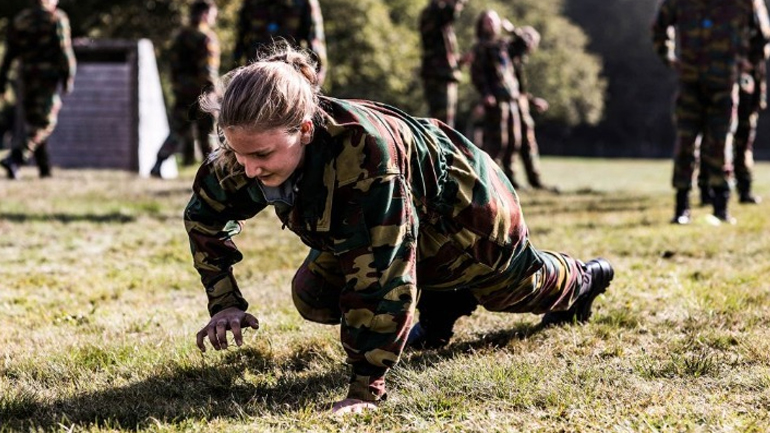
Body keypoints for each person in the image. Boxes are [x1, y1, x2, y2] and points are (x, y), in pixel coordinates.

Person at [186, 44, 614, 414]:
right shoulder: (243, 150)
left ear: (305, 130)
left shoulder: (365, 159)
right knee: (313, 295)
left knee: (515, 290)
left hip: (462, 204)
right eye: (238, 152)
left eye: (262, 154)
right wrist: (225, 303)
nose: (249, 167)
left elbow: (383, 276)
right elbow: (204, 218)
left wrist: (364, 389)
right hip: (398, 217)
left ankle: (585, 277)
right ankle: (445, 299)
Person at [651, 0, 770, 225]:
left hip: (724, 84)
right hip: (690, 83)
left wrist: (747, 63)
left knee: (720, 142)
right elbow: (659, 27)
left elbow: (763, 36)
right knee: (686, 142)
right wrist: (668, 56)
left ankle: (720, 205)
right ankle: (682, 206)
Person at [0, 0, 76, 180]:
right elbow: (64, 51)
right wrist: (68, 76)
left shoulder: (21, 20)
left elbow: (10, 53)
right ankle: (16, 158)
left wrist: (2, 80)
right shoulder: (56, 18)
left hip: (26, 77)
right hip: (47, 79)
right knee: (45, 123)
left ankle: (44, 169)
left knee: (35, 120)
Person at [151, 0, 220, 178]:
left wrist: (177, 86)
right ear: (205, 14)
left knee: (176, 131)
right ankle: (212, 174)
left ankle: (158, 164)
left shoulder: (180, 36)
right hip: (202, 95)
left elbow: (172, 66)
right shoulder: (206, 38)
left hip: (182, 92)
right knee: (208, 135)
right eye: (212, 15)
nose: (213, 19)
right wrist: (214, 91)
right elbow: (208, 70)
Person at [469, 10, 537, 189]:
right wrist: (486, 94)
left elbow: (525, 44)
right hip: (496, 101)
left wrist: (513, 30)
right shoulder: (480, 48)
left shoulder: (504, 45)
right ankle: (489, 179)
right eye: (487, 21)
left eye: (494, 21)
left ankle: (510, 179)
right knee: (498, 142)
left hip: (512, 98)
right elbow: (477, 74)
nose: (491, 24)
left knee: (514, 141)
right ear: (482, 25)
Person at [232, 0, 327, 85]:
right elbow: (240, 40)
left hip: (290, 76)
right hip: (255, 75)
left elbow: (315, 42)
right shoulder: (251, 3)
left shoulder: (304, 3)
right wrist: (235, 74)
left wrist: (315, 80)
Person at [418, 0, 467, 128]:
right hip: (437, 75)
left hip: (445, 75)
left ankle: (441, 147)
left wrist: (458, 60)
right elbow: (451, 12)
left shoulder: (442, 19)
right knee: (441, 123)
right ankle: (438, 148)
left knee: (447, 122)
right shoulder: (433, 12)